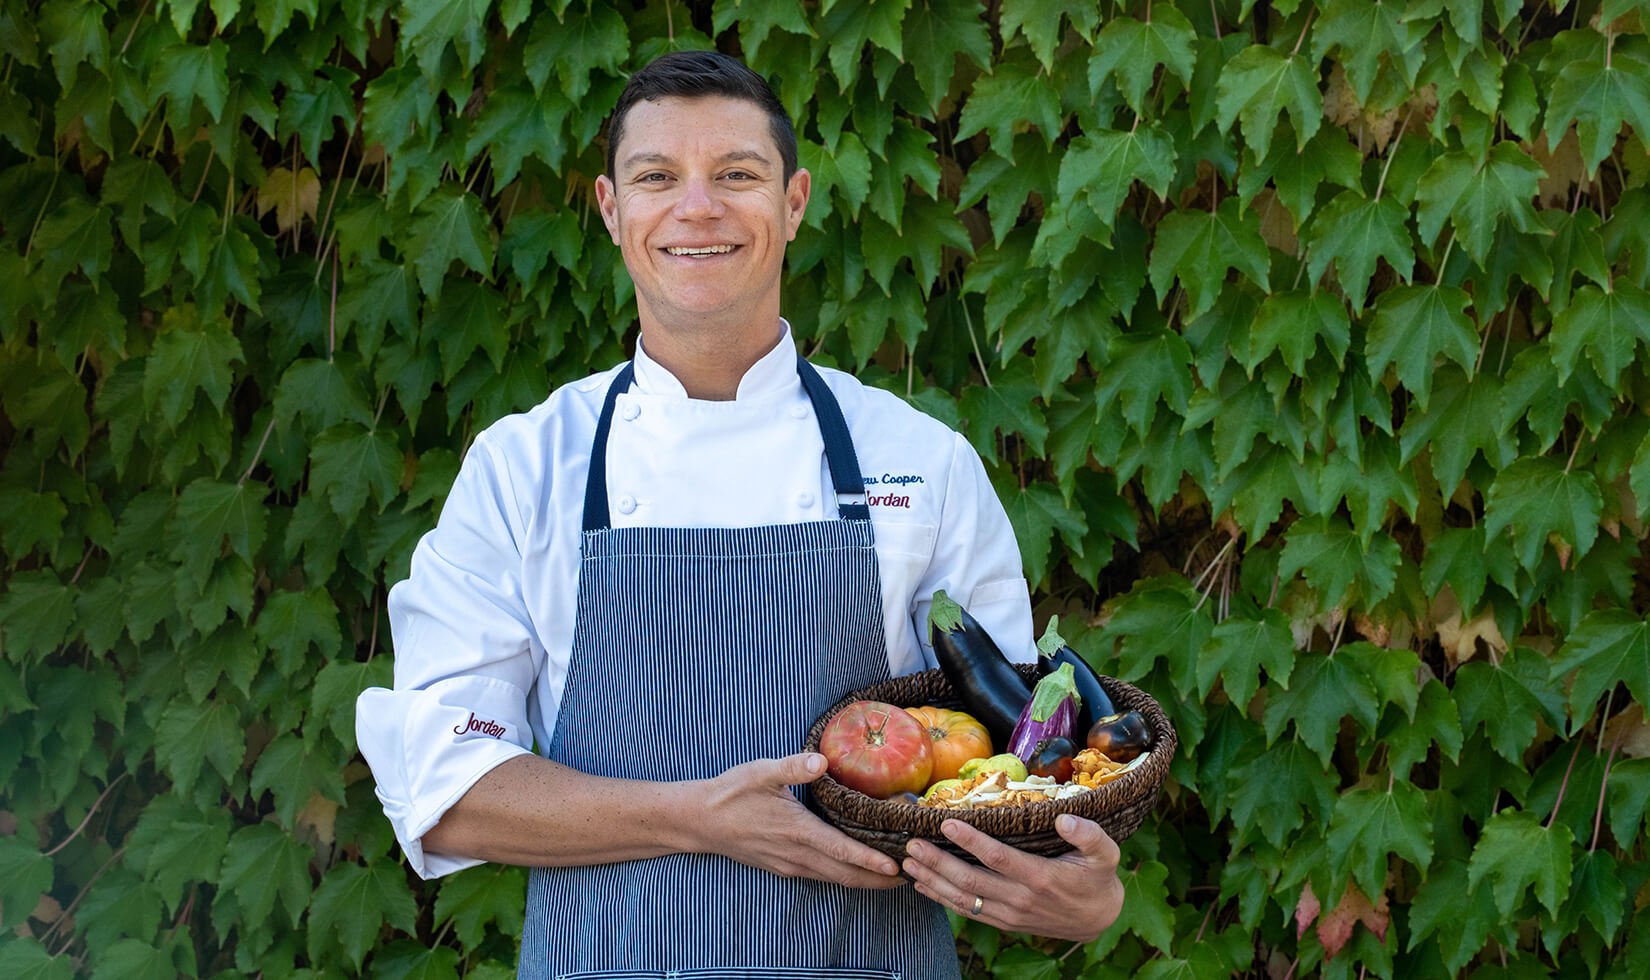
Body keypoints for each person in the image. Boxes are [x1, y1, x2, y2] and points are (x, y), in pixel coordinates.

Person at [355, 49, 1124, 977]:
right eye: (656, 178)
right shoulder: (525, 469)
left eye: (737, 175)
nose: (697, 208)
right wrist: (695, 817)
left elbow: (1011, 771)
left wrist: (1080, 898)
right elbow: (450, 788)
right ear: (610, 209)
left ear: (794, 202)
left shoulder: (917, 463)